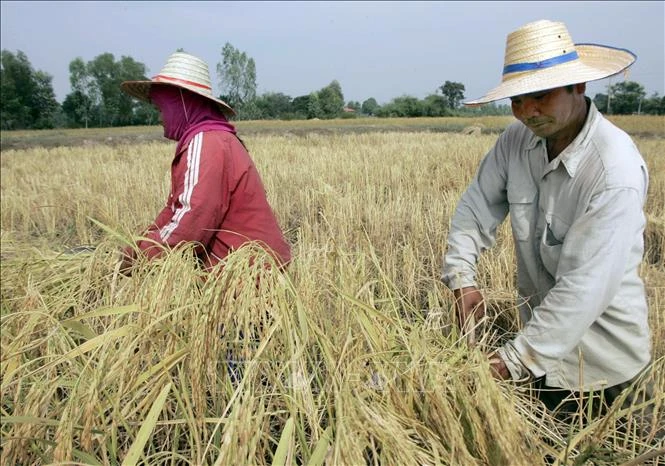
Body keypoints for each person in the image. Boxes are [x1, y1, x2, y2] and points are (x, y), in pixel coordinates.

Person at [441, 20, 657, 424]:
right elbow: (476, 207)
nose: (527, 112)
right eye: (517, 101)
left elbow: (583, 289)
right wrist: (461, 277)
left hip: (606, 369)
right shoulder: (515, 141)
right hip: (543, 359)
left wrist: (512, 360)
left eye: (539, 96)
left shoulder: (614, 172)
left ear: (579, 87)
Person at [118, 51, 291, 275]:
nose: (160, 118)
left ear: (181, 103)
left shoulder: (206, 143)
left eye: (162, 109)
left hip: (247, 275)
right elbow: (174, 209)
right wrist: (139, 243)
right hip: (251, 267)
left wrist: (138, 260)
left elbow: (190, 222)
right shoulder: (214, 137)